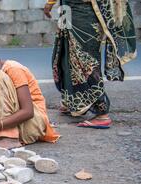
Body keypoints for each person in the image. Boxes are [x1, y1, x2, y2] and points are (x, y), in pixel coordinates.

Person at [45, 0, 137, 128]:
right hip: (67, 8)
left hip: (84, 11)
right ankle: (72, 101)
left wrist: (50, 3)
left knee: (86, 61)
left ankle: (101, 113)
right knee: (66, 54)